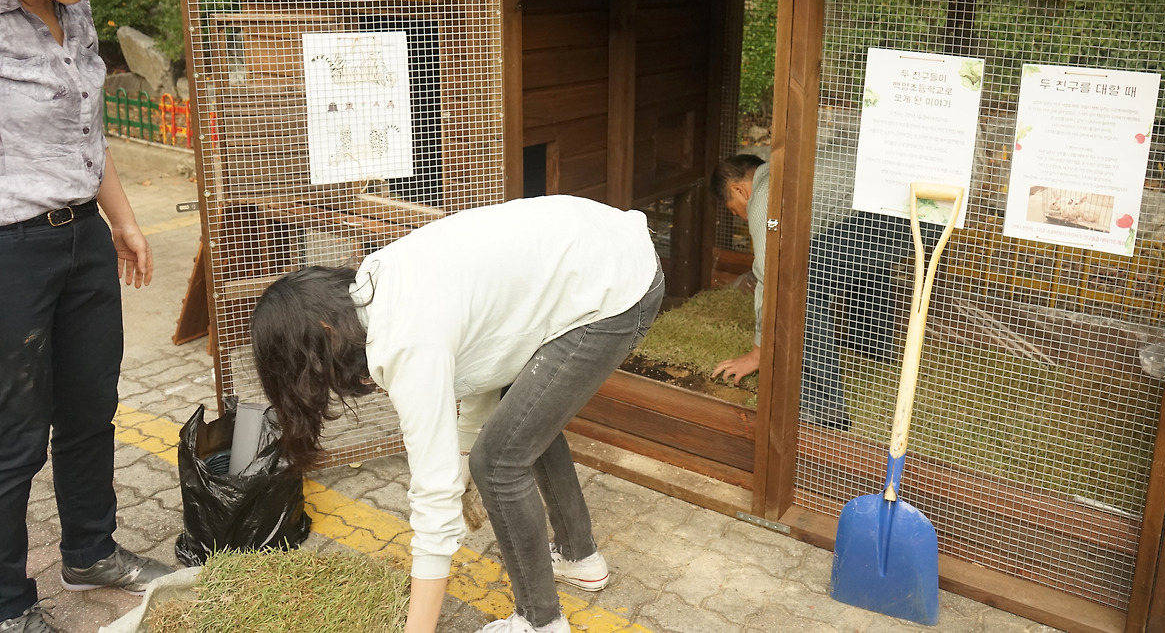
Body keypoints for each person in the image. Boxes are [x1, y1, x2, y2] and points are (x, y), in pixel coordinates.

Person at [250, 195, 664, 633]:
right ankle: (580, 556)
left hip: (616, 285)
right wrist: (461, 460)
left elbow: (433, 501)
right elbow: (490, 364)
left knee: (499, 462)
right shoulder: (376, 283)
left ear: (324, 335)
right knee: (520, 422)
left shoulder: (406, 341)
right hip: (600, 245)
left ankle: (540, 622)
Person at [0, 0, 176, 633]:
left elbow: (87, 131)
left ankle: (91, 550)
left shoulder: (74, 11)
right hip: (11, 250)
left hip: (81, 241)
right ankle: (8, 603)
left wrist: (126, 221)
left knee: (89, 404)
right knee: (13, 434)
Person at [710, 154, 941, 430]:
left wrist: (759, 352)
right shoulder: (794, 161)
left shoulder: (763, 192)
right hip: (928, 211)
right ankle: (870, 349)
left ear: (739, 189)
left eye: (734, 210)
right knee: (848, 257)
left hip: (897, 214)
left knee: (797, 278)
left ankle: (822, 409)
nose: (740, 216)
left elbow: (772, 272)